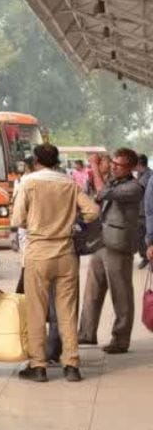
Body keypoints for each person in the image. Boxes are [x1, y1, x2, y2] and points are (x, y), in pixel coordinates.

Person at [11, 143, 100, 382]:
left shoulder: (28, 183)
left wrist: (35, 224)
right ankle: (71, 365)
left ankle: (38, 365)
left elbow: (17, 219)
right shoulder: (69, 183)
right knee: (66, 312)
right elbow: (93, 211)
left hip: (38, 253)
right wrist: (72, 221)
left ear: (36, 161)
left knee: (36, 311)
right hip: (66, 253)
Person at [80, 147, 146, 354]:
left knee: (121, 293)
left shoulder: (134, 187)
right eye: (114, 163)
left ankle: (120, 338)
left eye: (119, 165)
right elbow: (97, 196)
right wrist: (99, 171)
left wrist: (94, 167)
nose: (114, 167)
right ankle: (86, 332)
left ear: (131, 167)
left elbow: (103, 193)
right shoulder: (113, 181)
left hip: (118, 245)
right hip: (101, 241)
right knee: (92, 291)